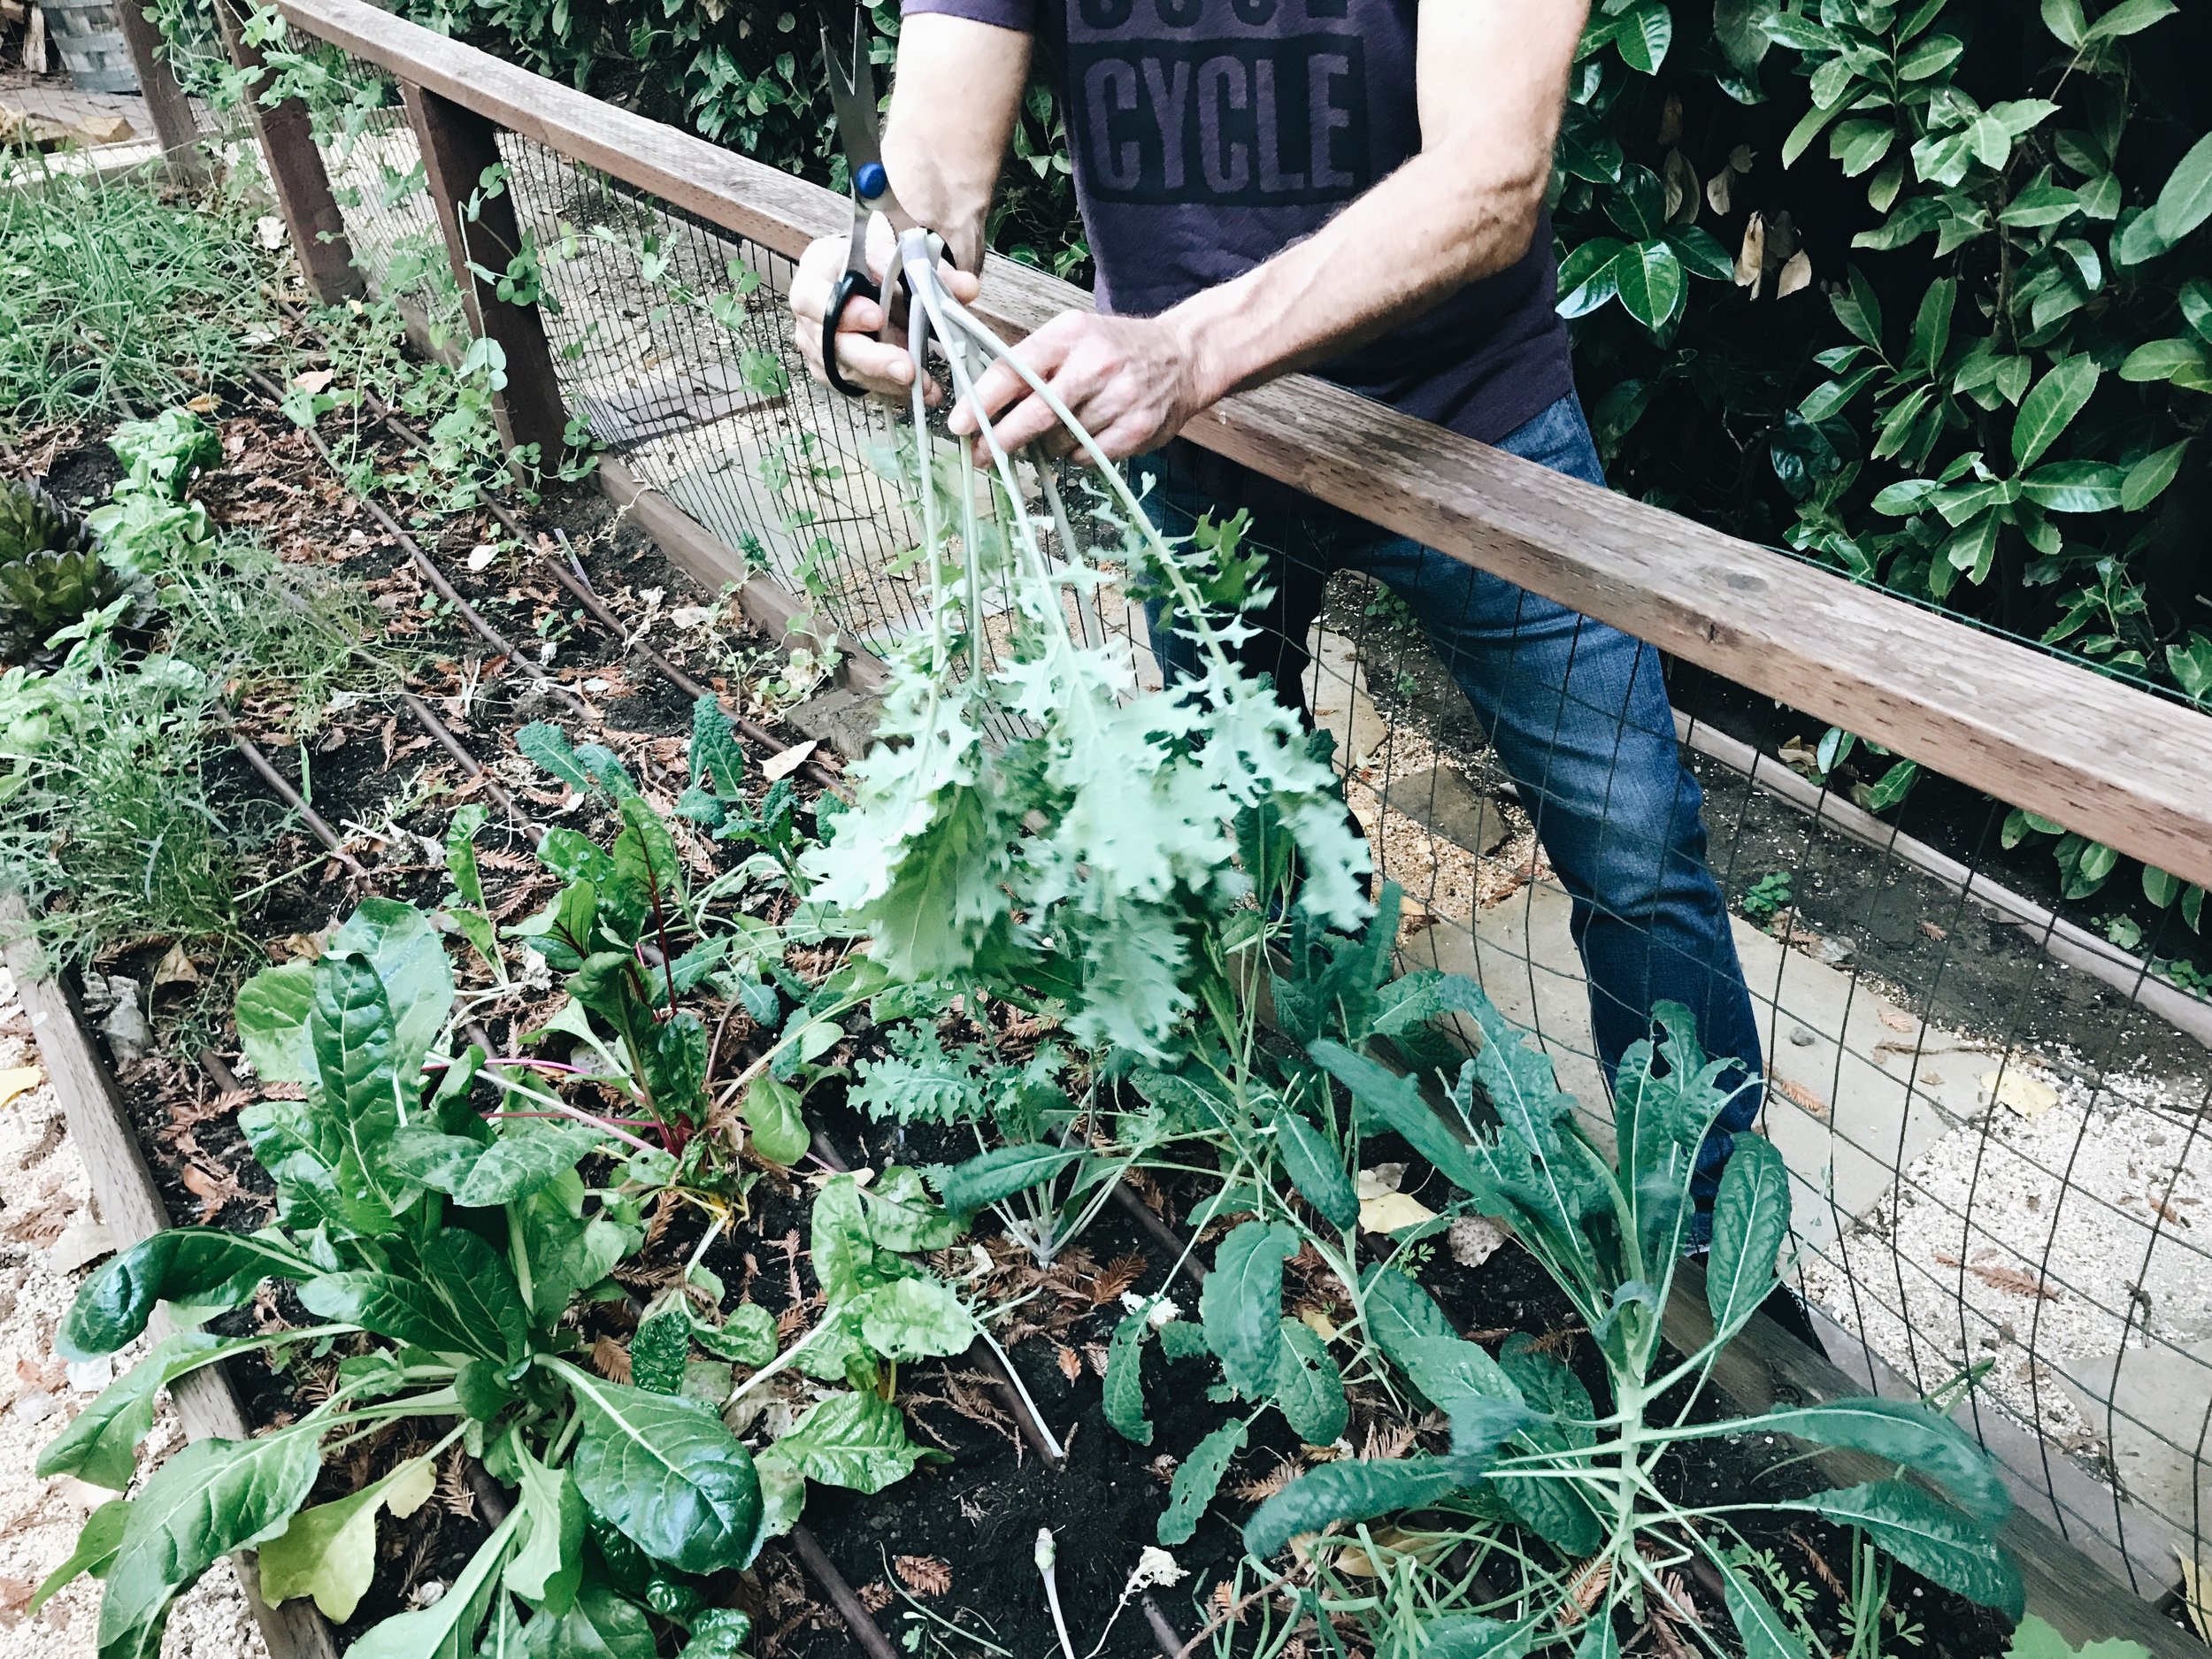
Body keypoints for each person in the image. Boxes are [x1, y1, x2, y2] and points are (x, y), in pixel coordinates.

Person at [787, 0, 1769, 1242]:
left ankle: (1716, 1265)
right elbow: (930, 170)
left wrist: (1189, 352)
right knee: (1259, 811)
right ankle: (1350, 1129)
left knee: (1634, 846)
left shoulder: (1223, 362)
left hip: (1475, 432)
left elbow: (1488, 179)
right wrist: (877, 274)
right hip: (1197, 449)